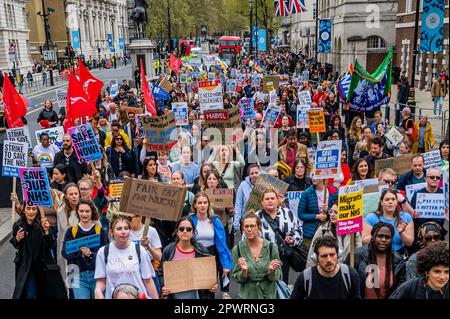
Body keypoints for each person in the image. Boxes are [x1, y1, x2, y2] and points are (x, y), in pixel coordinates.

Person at [94, 215, 159, 299]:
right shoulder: (103, 252)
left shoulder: (140, 250)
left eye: (126, 228)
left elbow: (148, 281)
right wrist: (98, 290)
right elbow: (101, 280)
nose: (123, 231)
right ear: (111, 232)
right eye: (119, 229)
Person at [11, 204, 67, 299]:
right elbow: (16, 245)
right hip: (28, 267)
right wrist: (17, 239)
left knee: (47, 294)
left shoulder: (43, 224)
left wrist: (47, 232)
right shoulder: (18, 225)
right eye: (28, 208)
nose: (31, 211)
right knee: (30, 294)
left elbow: (52, 244)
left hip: (44, 266)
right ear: (24, 210)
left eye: (34, 209)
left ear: (37, 211)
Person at [159, 217, 218, 299]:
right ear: (177, 232)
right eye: (181, 229)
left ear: (193, 232)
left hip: (197, 296)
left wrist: (212, 286)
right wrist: (163, 286)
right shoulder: (168, 250)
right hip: (175, 295)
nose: (185, 231)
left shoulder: (202, 251)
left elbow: (209, 276)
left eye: (189, 229)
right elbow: (161, 273)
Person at [61, 199, 109, 299]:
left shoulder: (100, 231)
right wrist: (79, 252)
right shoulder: (71, 231)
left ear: (92, 212)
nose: (84, 214)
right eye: (81, 211)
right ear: (77, 212)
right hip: (75, 273)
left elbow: (106, 256)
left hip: (97, 274)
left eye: (87, 211)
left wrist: (90, 254)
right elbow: (64, 253)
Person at [189, 192, 233, 299]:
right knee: (196, 287)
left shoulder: (215, 221)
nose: (202, 205)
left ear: (208, 204)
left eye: (205, 202)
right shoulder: (189, 221)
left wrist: (225, 264)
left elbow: (222, 244)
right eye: (200, 203)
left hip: (211, 254)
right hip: (195, 254)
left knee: (210, 288)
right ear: (195, 205)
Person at [256, 189, 304, 283]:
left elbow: (299, 230)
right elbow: (249, 237)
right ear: (262, 202)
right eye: (267, 199)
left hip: (283, 256)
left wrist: (293, 239)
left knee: (282, 284)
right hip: (263, 258)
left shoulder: (287, 213)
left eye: (272, 198)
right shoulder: (257, 216)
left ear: (277, 200)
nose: (270, 200)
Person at [290, 236, 361, 299]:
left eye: (332, 255)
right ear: (316, 258)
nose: (329, 260)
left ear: (338, 255)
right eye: (324, 256)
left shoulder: (350, 275)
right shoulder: (306, 278)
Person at [231, 212, 282, 299]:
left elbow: (278, 276)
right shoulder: (238, 249)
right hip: (247, 296)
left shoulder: (271, 247)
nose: (249, 229)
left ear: (259, 227)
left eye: (252, 226)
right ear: (243, 228)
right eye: (246, 226)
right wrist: (244, 272)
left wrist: (271, 271)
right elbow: (237, 278)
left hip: (268, 296)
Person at [352, 222, 406, 299]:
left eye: (387, 237)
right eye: (380, 236)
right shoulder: (358, 255)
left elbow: (400, 288)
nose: (383, 240)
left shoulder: (397, 260)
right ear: (373, 237)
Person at [306, 201, 362, 268]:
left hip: (347, 271)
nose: (332, 214)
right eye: (331, 211)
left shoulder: (353, 230)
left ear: (345, 214)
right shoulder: (323, 229)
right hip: (327, 270)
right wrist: (310, 274)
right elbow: (312, 254)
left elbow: (359, 252)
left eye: (336, 212)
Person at [363, 189, 414, 254]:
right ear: (381, 202)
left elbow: (409, 243)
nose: (390, 202)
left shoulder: (406, 217)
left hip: (398, 255)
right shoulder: (371, 217)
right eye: (387, 199)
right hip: (376, 254)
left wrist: (401, 233)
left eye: (393, 199)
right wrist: (377, 232)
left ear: (396, 202)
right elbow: (364, 242)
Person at [297, 176, 338, 249]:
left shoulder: (333, 191)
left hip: (330, 230)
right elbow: (301, 214)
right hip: (311, 233)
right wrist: (317, 216)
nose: (313, 178)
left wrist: (328, 210)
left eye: (316, 176)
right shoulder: (307, 193)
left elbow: (337, 209)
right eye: (312, 175)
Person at [410, 168, 446, 248]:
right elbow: (411, 212)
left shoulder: (444, 194)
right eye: (432, 177)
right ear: (426, 179)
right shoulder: (418, 194)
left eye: (438, 177)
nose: (435, 179)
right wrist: (413, 213)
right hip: (421, 233)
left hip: (438, 232)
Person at [234, 164, 261, 232]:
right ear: (249, 175)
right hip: (247, 220)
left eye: (256, 173)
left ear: (260, 172)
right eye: (252, 173)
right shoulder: (243, 185)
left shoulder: (265, 184)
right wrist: (236, 223)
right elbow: (238, 204)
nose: (254, 175)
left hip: (261, 219)